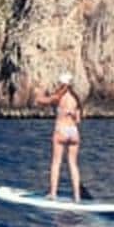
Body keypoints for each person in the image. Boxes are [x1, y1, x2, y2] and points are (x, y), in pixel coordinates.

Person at [35, 72, 83, 202]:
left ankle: (53, 193)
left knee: (56, 163)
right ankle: (77, 196)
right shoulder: (76, 99)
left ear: (62, 83)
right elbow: (78, 120)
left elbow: (41, 101)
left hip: (61, 129)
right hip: (74, 132)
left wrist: (39, 92)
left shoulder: (58, 97)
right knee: (73, 164)